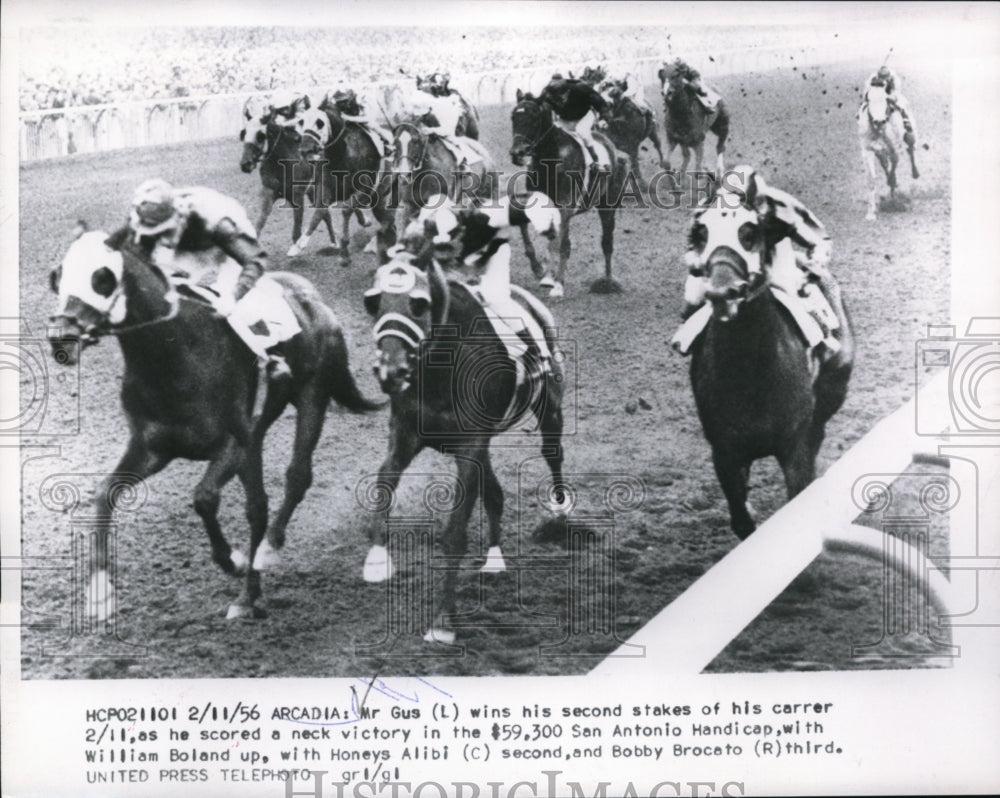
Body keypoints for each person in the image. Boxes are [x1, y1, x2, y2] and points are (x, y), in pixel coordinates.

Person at [115, 178, 299, 377]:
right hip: (185, 246)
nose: (160, 236)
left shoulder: (215, 220)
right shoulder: (143, 214)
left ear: (177, 216)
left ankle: (274, 356)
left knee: (243, 304)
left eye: (163, 230)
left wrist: (234, 296)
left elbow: (255, 259)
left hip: (218, 246)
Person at [673, 164, 842, 360]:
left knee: (791, 289)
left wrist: (811, 272)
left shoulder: (779, 205)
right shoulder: (708, 207)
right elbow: (692, 247)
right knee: (694, 293)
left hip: (773, 252)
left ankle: (823, 337)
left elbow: (820, 239)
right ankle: (687, 328)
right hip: (731, 255)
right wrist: (700, 265)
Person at [408, 193, 561, 379]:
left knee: (494, 297)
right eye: (439, 244)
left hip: (492, 252)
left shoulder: (484, 216)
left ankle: (537, 354)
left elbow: (525, 202)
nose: (444, 248)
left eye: (449, 241)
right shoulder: (420, 233)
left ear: (460, 226)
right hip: (462, 261)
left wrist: (544, 221)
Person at [538, 74, 612, 171]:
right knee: (550, 133)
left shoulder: (581, 89)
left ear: (568, 91)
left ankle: (596, 160)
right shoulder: (547, 93)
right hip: (565, 118)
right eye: (556, 99)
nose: (560, 102)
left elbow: (601, 104)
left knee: (581, 131)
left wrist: (604, 118)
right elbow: (537, 105)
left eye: (561, 97)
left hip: (585, 115)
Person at [324, 84, 394, 156]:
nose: (341, 104)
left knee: (372, 125)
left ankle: (387, 143)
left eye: (344, 101)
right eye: (339, 102)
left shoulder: (360, 99)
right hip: (345, 120)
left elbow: (367, 118)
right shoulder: (335, 98)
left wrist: (348, 118)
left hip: (360, 119)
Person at [864, 65, 917, 144]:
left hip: (890, 94)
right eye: (882, 77)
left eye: (885, 77)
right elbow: (867, 91)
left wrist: (890, 97)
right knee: (867, 105)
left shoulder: (895, 79)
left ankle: (907, 123)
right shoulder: (873, 78)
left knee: (902, 103)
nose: (884, 79)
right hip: (878, 96)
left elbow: (896, 92)